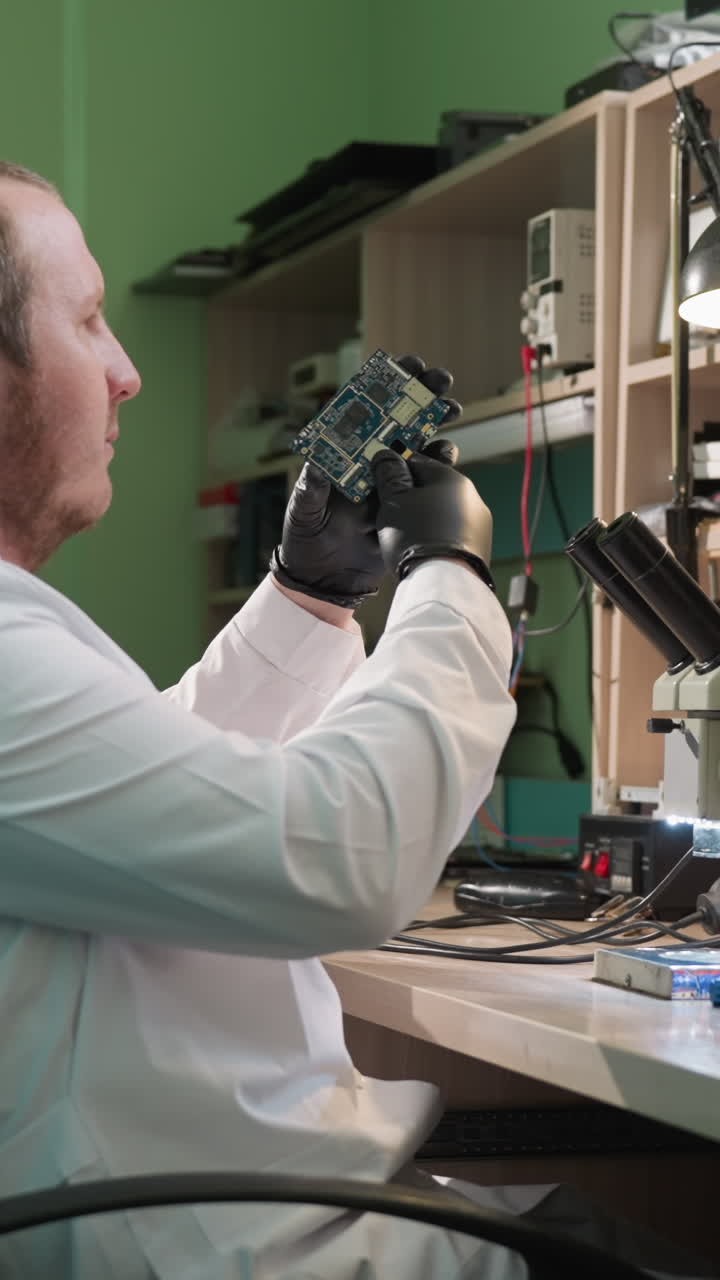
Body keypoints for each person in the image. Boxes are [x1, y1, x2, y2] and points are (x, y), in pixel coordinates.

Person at [0, 163, 708, 1280]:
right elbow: (338, 854)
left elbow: (150, 798)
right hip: (235, 1240)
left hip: (251, 1199)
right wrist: (449, 576)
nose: (127, 372)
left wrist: (306, 598)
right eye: (86, 320)